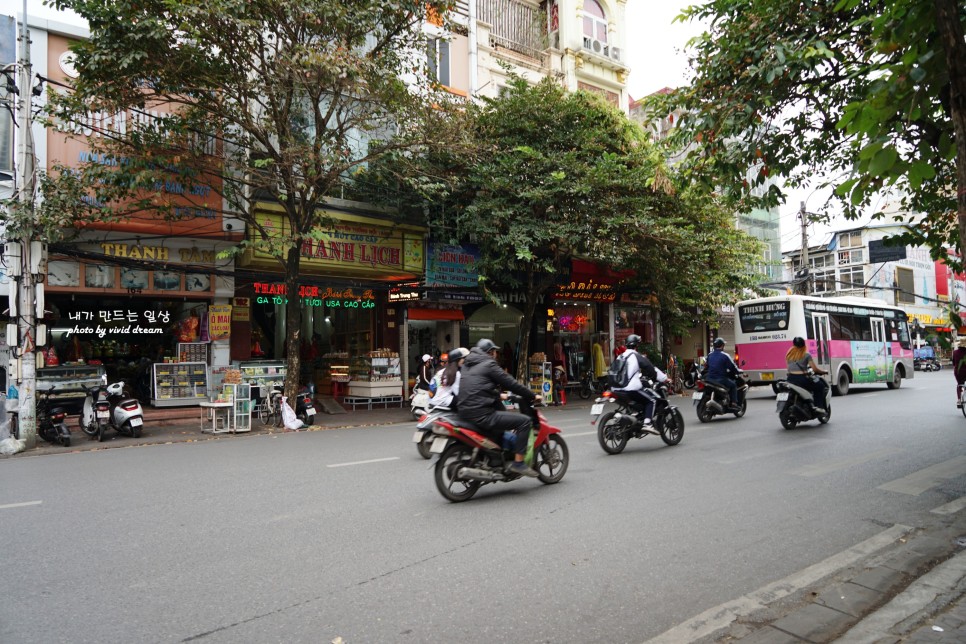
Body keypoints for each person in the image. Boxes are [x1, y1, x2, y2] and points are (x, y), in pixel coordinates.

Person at [457, 338, 540, 478]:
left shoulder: (466, 365)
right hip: (482, 413)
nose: (496, 354)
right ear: (490, 352)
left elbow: (478, 387)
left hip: (465, 412)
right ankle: (518, 464)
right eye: (495, 351)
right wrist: (532, 395)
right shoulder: (489, 364)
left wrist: (497, 394)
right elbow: (511, 384)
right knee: (525, 421)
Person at [611, 334, 660, 431]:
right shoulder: (636, 356)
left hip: (616, 389)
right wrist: (655, 377)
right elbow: (650, 369)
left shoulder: (620, 356)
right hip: (630, 389)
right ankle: (647, 424)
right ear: (637, 345)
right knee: (651, 400)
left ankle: (632, 417)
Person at [785, 336, 829, 411]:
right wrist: (823, 372)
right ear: (804, 345)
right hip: (802, 379)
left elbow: (789, 368)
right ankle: (819, 407)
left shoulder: (789, 355)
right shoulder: (806, 355)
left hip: (790, 379)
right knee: (819, 386)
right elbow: (815, 369)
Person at [706, 337, 741, 411]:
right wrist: (738, 371)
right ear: (722, 346)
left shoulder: (709, 355)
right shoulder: (725, 355)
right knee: (733, 385)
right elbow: (732, 367)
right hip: (720, 379)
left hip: (709, 379)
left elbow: (707, 366)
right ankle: (734, 403)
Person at [952, 338, 966, 407]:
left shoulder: (955, 352)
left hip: (958, 372)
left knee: (959, 384)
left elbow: (954, 363)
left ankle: (959, 400)